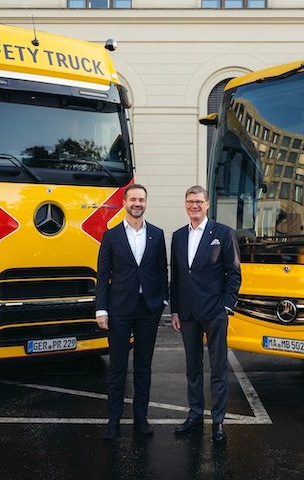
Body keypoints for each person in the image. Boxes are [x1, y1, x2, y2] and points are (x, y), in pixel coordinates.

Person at [95, 184, 168, 441]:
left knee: (143, 366)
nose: (137, 203)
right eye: (133, 199)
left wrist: (163, 300)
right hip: (119, 310)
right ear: (124, 202)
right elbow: (103, 275)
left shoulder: (157, 234)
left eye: (141, 199)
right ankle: (113, 421)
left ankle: (141, 419)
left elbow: (161, 270)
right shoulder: (111, 236)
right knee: (117, 367)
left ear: (146, 203)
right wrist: (101, 309)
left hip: (148, 309)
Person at [170, 185, 241, 444]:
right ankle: (195, 415)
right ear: (185, 205)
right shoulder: (178, 236)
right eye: (190, 201)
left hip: (214, 312)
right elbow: (177, 276)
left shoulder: (223, 233)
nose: (194, 205)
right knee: (193, 367)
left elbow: (234, 273)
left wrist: (226, 306)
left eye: (199, 201)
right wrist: (175, 310)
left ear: (207, 204)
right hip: (187, 313)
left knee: (219, 368)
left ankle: (218, 421)